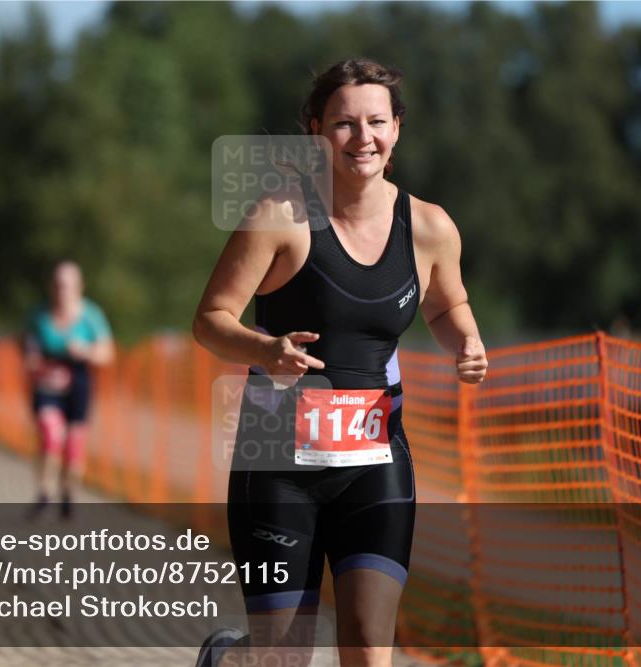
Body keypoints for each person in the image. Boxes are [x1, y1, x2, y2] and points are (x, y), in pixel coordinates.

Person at [192, 59, 488, 667]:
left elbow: (446, 302)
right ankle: (226, 659)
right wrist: (266, 350)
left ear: (397, 128)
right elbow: (211, 319)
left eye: (377, 121)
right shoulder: (280, 218)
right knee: (283, 658)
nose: (363, 137)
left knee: (368, 643)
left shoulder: (429, 227)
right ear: (316, 131)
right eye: (344, 123)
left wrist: (466, 341)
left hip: (374, 462)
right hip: (277, 465)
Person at [24, 261, 114, 519]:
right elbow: (27, 351)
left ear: (79, 287)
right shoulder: (39, 316)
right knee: (50, 434)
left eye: (68, 285)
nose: (62, 290)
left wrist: (85, 351)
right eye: (58, 284)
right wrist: (39, 367)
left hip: (79, 381)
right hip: (47, 381)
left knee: (74, 445)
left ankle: (68, 493)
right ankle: (45, 492)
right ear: (51, 287)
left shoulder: (91, 315)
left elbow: (107, 353)